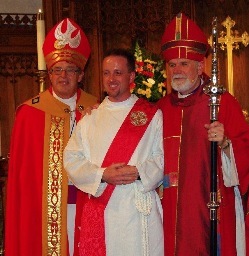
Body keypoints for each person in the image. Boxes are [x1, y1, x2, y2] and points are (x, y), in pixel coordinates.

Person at [158, 12, 249, 256]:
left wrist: (226, 144)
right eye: (172, 64)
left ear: (200, 66)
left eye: (184, 63)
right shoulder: (159, 110)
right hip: (170, 211)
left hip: (213, 210)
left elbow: (248, 151)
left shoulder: (223, 103)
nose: (176, 70)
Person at [5, 18, 98, 256]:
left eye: (70, 69)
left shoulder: (97, 109)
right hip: (44, 211)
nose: (63, 75)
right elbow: (23, 179)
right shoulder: (30, 113)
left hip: (88, 205)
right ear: (49, 73)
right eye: (58, 69)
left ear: (81, 74)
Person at [64, 48, 164, 256]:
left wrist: (138, 173)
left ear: (131, 76)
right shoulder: (90, 117)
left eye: (118, 73)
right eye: (106, 73)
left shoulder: (151, 115)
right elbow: (72, 159)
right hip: (102, 207)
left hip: (137, 210)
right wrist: (102, 175)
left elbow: (163, 157)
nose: (111, 79)